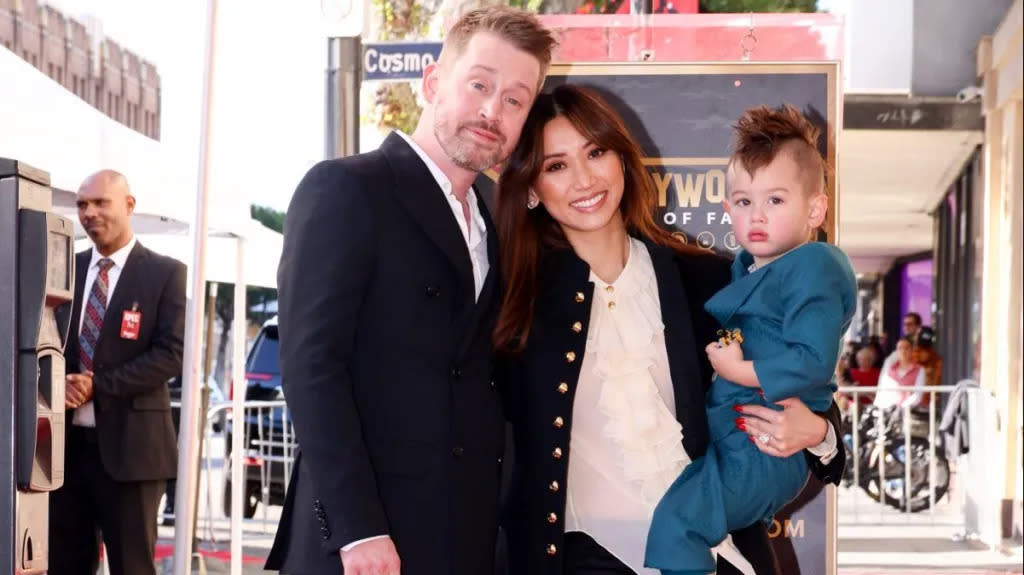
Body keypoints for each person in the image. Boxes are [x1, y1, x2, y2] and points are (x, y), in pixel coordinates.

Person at [493, 85, 845, 575]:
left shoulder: (708, 281)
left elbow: (808, 381)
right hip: (580, 560)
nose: (584, 178)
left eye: (596, 152)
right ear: (531, 187)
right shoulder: (511, 304)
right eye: (556, 165)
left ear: (622, 159)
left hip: (719, 555)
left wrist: (819, 433)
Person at [263, 7, 556, 575]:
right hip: (367, 547)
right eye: (479, 85)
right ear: (431, 83)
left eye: (515, 100)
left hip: (464, 539)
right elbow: (311, 367)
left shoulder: (504, 218)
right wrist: (357, 529)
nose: (493, 110)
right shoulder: (347, 188)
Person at [644, 104, 857, 575]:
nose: (756, 216)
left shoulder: (811, 266)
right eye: (744, 202)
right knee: (680, 522)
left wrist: (820, 433)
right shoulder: (748, 267)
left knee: (677, 526)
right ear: (728, 209)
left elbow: (812, 364)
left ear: (815, 209)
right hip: (726, 439)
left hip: (758, 445)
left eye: (775, 201)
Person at [50, 170, 185, 575]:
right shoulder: (62, 270)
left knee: (132, 567)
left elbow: (171, 354)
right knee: (64, 565)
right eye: (82, 205)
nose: (89, 213)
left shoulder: (165, 274)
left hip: (133, 455)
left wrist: (97, 386)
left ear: (129, 205)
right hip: (65, 452)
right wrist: (59, 383)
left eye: (100, 202)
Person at [874, 336, 926, 410]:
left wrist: (902, 407)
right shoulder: (890, 369)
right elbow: (883, 392)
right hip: (889, 412)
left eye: (906, 348)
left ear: (912, 350)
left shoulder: (920, 370)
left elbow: (918, 395)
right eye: (900, 348)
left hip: (909, 412)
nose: (903, 351)